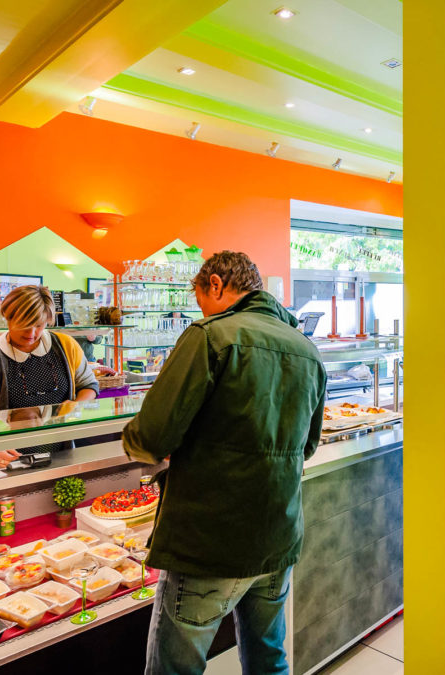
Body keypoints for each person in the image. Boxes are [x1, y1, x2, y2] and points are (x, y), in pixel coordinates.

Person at [122, 251, 326, 675]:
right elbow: (307, 446)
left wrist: (133, 441)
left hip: (211, 540)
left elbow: (153, 437)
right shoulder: (306, 348)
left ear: (215, 285)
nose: (201, 311)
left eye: (201, 299)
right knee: (269, 659)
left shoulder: (210, 336)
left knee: (175, 669)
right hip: (279, 535)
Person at [0, 285, 99, 468]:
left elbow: (89, 385)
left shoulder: (66, 346)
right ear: (8, 318)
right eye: (24, 325)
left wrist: (75, 405)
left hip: (61, 456)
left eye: (38, 325)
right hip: (7, 462)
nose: (31, 334)